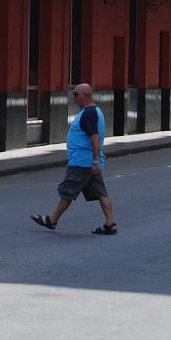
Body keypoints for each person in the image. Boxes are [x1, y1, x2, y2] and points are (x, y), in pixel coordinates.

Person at [30, 83, 117, 235]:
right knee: (101, 192)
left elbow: (95, 138)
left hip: (82, 162)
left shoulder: (89, 113)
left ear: (86, 95)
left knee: (68, 191)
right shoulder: (94, 111)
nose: (74, 98)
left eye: (76, 95)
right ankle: (110, 223)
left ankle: (52, 220)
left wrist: (95, 161)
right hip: (87, 162)